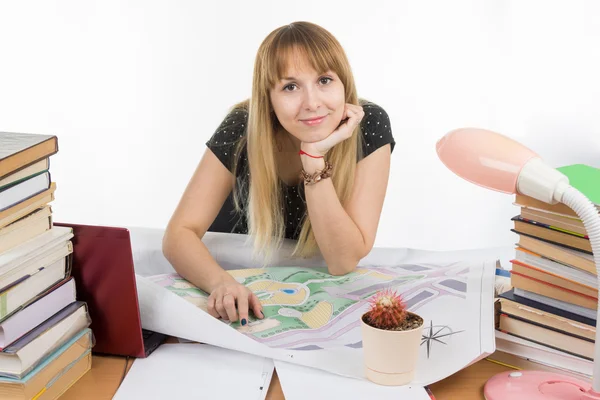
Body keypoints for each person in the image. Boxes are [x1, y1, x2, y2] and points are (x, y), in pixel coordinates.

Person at [162, 21, 395, 325]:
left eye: (325, 80)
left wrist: (313, 157)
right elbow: (179, 235)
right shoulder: (242, 127)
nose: (312, 103)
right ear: (268, 99)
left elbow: (343, 261)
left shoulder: (370, 126)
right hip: (239, 283)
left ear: (344, 84)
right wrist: (221, 283)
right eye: (290, 87)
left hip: (311, 294)